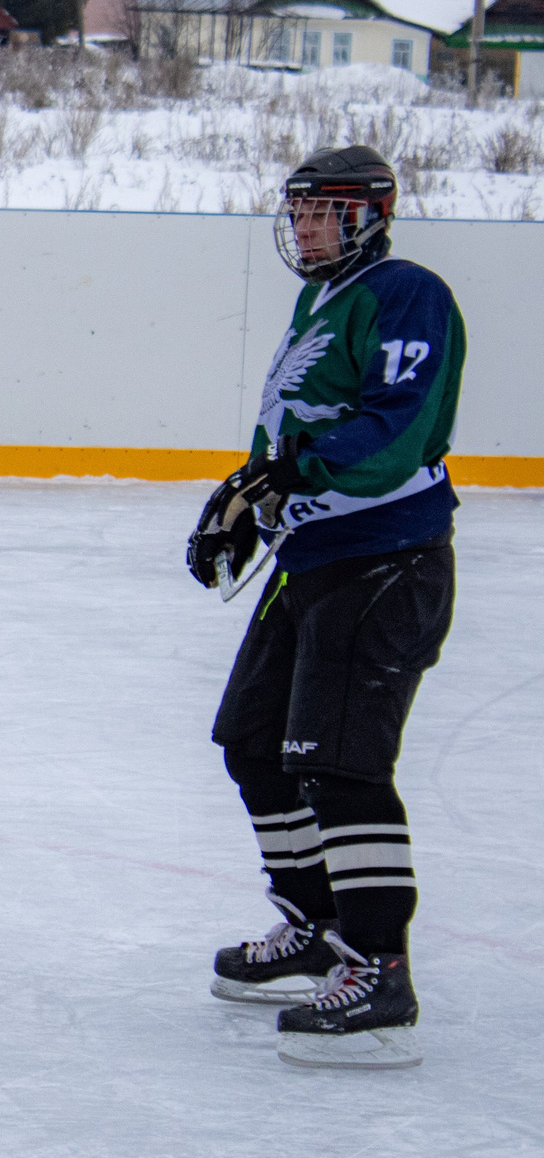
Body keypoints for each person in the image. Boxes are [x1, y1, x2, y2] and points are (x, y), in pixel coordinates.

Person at [189, 144, 462, 1070]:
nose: (306, 228)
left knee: (340, 765)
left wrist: (294, 471)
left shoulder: (405, 293)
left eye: (325, 213)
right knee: (253, 743)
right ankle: (315, 926)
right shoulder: (323, 299)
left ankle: (380, 967)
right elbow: (293, 430)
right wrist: (249, 502)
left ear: (372, 214)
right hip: (310, 561)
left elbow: (395, 428)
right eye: (299, 212)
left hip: (385, 561)